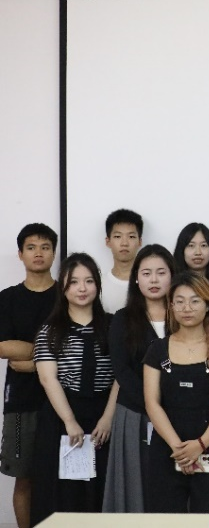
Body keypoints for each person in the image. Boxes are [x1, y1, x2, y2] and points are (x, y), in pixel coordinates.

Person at [31, 253, 118, 526]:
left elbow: (122, 376)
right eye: (74, 282)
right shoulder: (50, 330)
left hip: (104, 414)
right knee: (63, 492)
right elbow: (48, 379)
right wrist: (70, 421)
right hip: (62, 415)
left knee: (101, 488)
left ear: (97, 285)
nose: (82, 288)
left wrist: (108, 418)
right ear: (63, 287)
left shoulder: (114, 325)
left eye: (89, 281)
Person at [143, 272, 209, 513]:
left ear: (208, 306)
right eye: (180, 301)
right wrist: (178, 448)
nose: (187, 308)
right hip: (167, 447)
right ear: (171, 306)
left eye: (195, 301)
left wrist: (200, 445)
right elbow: (152, 403)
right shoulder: (157, 350)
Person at [103, 244, 174, 512]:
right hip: (134, 413)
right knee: (136, 487)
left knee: (173, 488)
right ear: (136, 279)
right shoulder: (122, 319)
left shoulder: (185, 315)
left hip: (179, 412)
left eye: (161, 272)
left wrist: (173, 404)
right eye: (146, 273)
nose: (154, 280)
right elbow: (121, 371)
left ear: (173, 276)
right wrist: (153, 406)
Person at [0, 223, 58, 528]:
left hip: (64, 400)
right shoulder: (8, 298)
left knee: (61, 478)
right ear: (20, 254)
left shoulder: (67, 295)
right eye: (31, 247)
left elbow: (76, 346)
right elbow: (3, 346)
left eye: (45, 247)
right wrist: (48, 356)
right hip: (21, 401)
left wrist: (34, 362)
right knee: (24, 479)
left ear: (54, 253)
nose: (38, 253)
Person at [100, 209, 144, 314]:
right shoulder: (99, 284)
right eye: (117, 236)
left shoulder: (149, 283)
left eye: (131, 237)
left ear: (139, 242)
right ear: (108, 241)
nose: (124, 243)